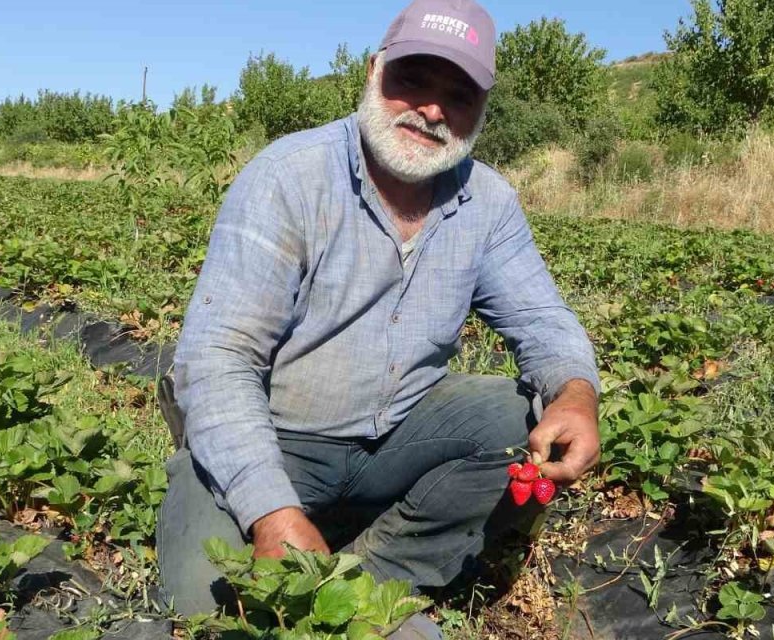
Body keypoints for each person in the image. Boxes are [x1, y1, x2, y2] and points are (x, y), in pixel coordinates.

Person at [157, 0, 600, 636]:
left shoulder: (488, 202)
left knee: (523, 421)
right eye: (413, 79)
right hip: (277, 437)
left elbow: (542, 319)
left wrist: (577, 395)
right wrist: (271, 511)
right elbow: (218, 358)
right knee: (208, 602)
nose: (432, 110)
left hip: (396, 436)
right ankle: (292, 536)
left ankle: (368, 575)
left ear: (481, 110)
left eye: (460, 95)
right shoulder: (289, 177)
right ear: (374, 71)